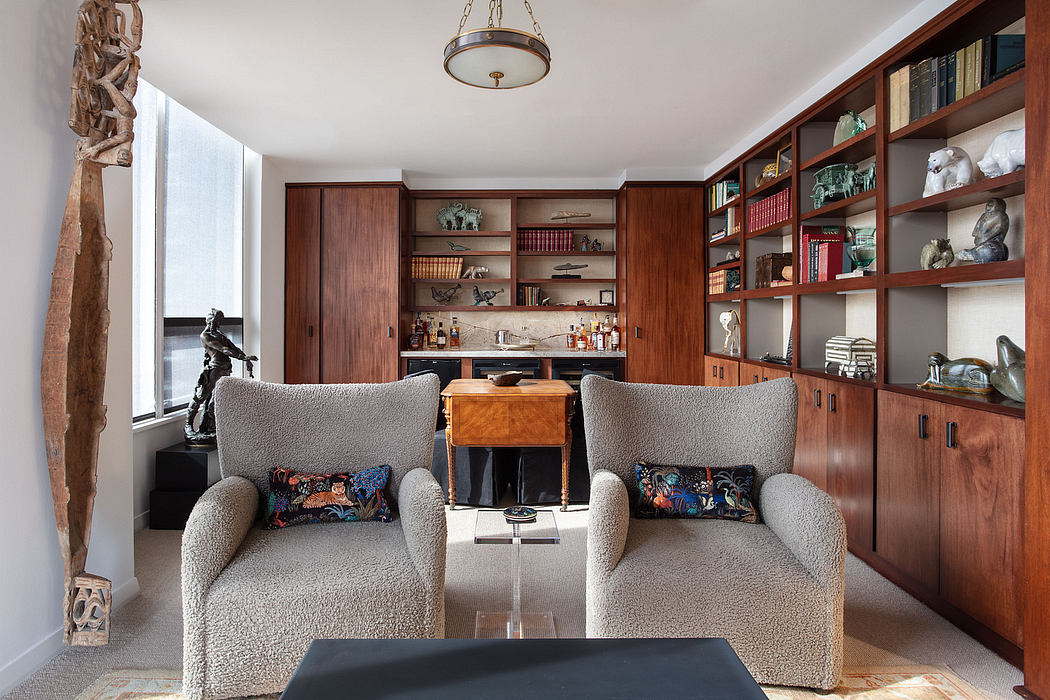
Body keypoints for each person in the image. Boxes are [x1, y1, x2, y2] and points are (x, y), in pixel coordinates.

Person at [185, 308, 257, 444]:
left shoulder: (220, 334)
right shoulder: (205, 335)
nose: (219, 323)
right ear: (211, 320)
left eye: (220, 321)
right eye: (217, 320)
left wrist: (246, 359)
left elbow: (233, 347)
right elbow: (223, 349)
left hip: (225, 369)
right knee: (201, 396)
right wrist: (242, 357)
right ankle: (188, 426)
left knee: (213, 400)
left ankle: (208, 427)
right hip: (214, 369)